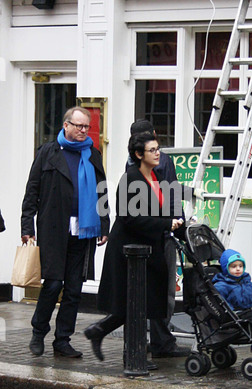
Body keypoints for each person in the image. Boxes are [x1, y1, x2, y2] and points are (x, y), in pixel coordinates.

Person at [84, 130, 184, 368]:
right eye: (152, 150)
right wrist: (166, 223)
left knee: (138, 304)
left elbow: (160, 209)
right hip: (128, 251)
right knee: (134, 303)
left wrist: (178, 222)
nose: (158, 153)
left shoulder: (154, 177)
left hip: (147, 249)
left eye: (158, 149)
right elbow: (131, 218)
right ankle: (132, 356)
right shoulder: (131, 179)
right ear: (139, 154)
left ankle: (100, 331)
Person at [21, 106, 110, 358]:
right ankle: (38, 333)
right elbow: (32, 191)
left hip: (84, 229)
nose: (83, 130)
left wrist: (104, 224)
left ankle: (62, 340)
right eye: (79, 126)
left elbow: (101, 191)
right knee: (52, 285)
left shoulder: (93, 154)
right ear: (66, 125)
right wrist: (27, 225)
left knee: (73, 289)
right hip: (53, 228)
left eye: (86, 126)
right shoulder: (48, 152)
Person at [127, 119, 191, 358]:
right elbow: (172, 193)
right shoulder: (161, 160)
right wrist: (177, 226)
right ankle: (161, 342)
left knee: (139, 290)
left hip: (142, 236)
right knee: (163, 291)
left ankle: (138, 341)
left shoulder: (131, 163)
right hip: (160, 233)